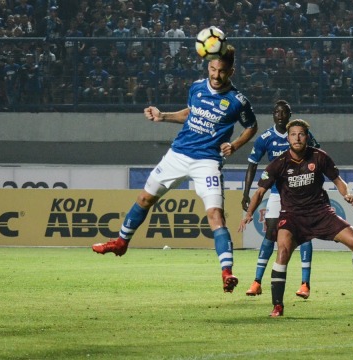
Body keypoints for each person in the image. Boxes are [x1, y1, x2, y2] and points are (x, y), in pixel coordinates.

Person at [92, 44, 258, 294]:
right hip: (178, 154)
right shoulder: (197, 87)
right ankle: (121, 243)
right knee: (145, 198)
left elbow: (252, 127)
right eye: (212, 69)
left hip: (207, 161)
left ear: (231, 72)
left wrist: (234, 145)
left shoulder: (237, 101)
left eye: (221, 71)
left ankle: (226, 272)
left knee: (215, 215)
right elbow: (191, 113)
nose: (215, 75)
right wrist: (163, 116)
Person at [239, 119, 353, 317]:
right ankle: (277, 305)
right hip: (292, 217)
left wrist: (346, 194)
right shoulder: (278, 164)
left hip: (321, 213)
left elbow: (338, 180)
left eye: (301, 134)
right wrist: (248, 214)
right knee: (282, 253)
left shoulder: (319, 157)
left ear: (307, 137)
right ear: (288, 138)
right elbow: (260, 192)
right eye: (293, 134)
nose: (297, 138)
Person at [242, 100, 320, 299]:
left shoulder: (300, 135)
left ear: (289, 115)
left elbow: (318, 156)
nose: (280, 115)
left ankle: (305, 284)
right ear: (273, 115)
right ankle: (257, 281)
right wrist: (246, 193)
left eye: (284, 112)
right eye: (276, 112)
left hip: (302, 194)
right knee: (271, 232)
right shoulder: (265, 138)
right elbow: (252, 165)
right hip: (277, 194)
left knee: (304, 234)